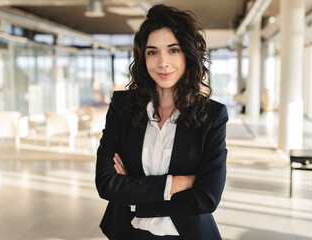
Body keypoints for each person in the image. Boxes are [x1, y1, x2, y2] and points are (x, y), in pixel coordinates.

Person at [95, 4, 228, 240]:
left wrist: (135, 195)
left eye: (173, 50)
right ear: (143, 57)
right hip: (129, 233)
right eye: (152, 52)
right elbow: (106, 183)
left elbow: (207, 198)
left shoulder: (212, 115)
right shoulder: (122, 105)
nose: (162, 62)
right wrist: (177, 184)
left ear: (188, 54)